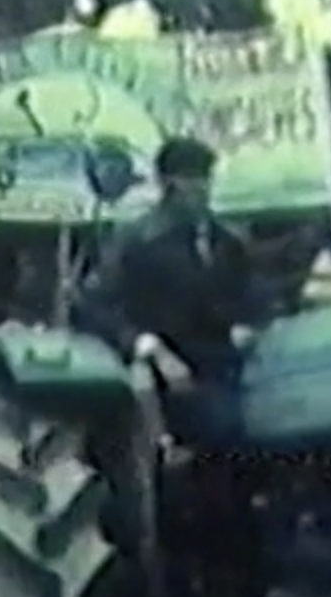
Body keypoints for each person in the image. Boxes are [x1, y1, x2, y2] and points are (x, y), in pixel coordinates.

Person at [74, 135, 271, 400]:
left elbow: (253, 297)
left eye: (204, 177)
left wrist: (250, 327)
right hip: (159, 373)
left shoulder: (225, 241)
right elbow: (93, 307)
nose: (199, 188)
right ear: (166, 183)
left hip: (228, 368)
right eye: (188, 179)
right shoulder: (135, 241)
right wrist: (146, 346)